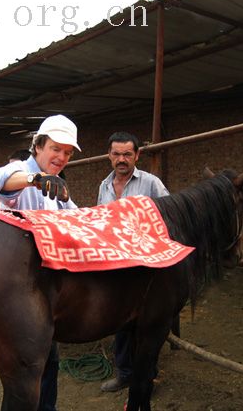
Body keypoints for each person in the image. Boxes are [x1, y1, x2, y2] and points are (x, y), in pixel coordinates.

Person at [0, 114, 80, 411]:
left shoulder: (59, 188)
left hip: (45, 286)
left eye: (67, 152)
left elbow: (77, 216)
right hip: (17, 285)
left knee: (49, 358)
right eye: (55, 148)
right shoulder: (22, 172)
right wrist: (34, 179)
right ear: (38, 146)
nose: (61, 156)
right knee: (25, 365)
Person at [98, 131, 169, 393]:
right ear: (109, 156)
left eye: (127, 154)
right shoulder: (104, 186)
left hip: (146, 267)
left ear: (137, 155)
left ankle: (147, 377)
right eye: (116, 154)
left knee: (149, 324)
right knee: (121, 323)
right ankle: (125, 374)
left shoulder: (151, 184)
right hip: (116, 268)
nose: (121, 159)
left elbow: (168, 218)